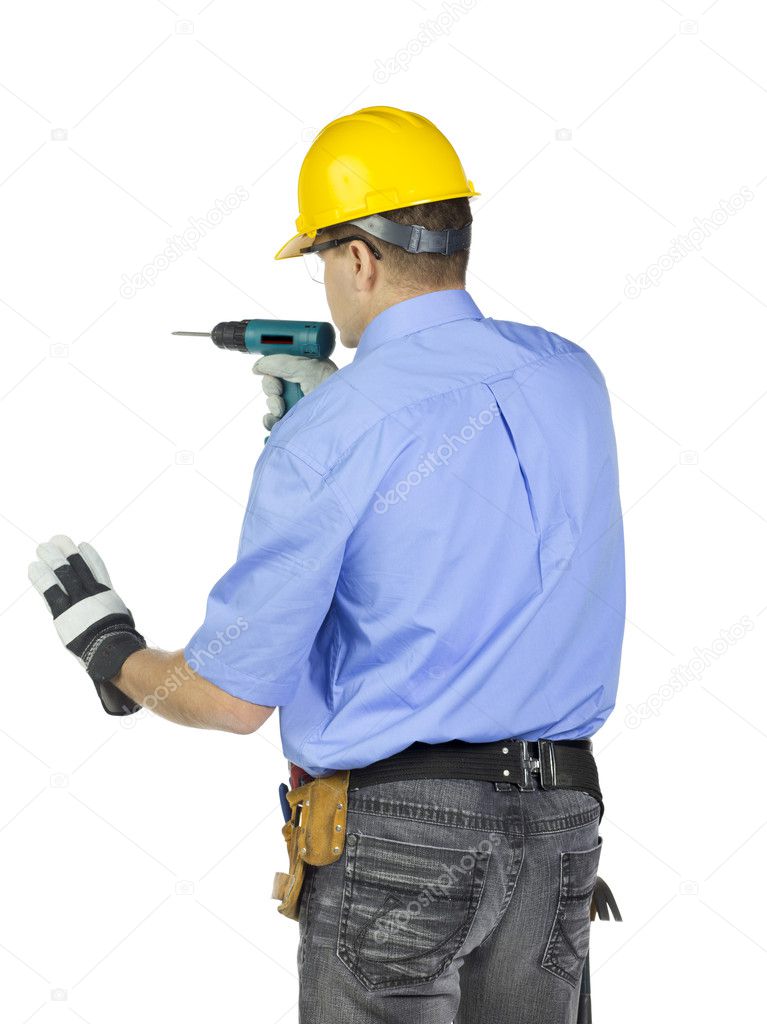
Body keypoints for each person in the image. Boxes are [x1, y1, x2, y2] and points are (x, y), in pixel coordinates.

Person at [29, 106, 625, 1023]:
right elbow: (468, 521)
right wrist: (346, 419)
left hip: (401, 840)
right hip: (558, 829)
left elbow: (226, 698)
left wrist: (109, 651)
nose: (324, 286)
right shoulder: (569, 376)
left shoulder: (328, 438)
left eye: (319, 259)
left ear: (359, 258)